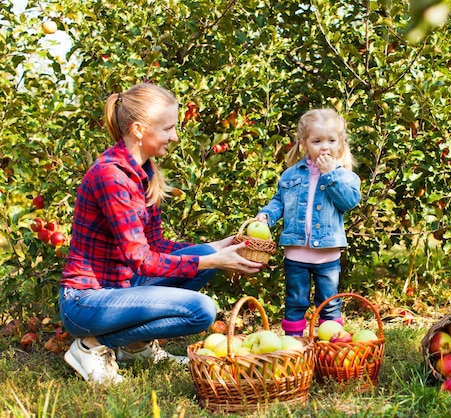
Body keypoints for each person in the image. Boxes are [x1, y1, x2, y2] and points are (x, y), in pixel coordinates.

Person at [59, 83, 263, 384]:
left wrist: (215, 247)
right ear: (140, 129)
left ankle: (134, 347)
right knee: (202, 311)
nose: (175, 136)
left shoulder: (146, 172)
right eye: (168, 128)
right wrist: (215, 261)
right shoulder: (111, 176)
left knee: (204, 255)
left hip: (121, 288)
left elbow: (154, 245)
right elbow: (141, 260)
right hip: (86, 300)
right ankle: (91, 346)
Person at [255, 108, 361, 337]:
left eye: (331, 140)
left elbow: (348, 202)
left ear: (340, 143)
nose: (325, 146)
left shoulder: (345, 176)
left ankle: (330, 348)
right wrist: (267, 215)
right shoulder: (290, 175)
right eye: (317, 140)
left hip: (328, 255)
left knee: (330, 304)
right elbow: (279, 202)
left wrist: (329, 174)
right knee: (295, 302)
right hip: (296, 254)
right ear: (304, 143)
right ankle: (294, 348)